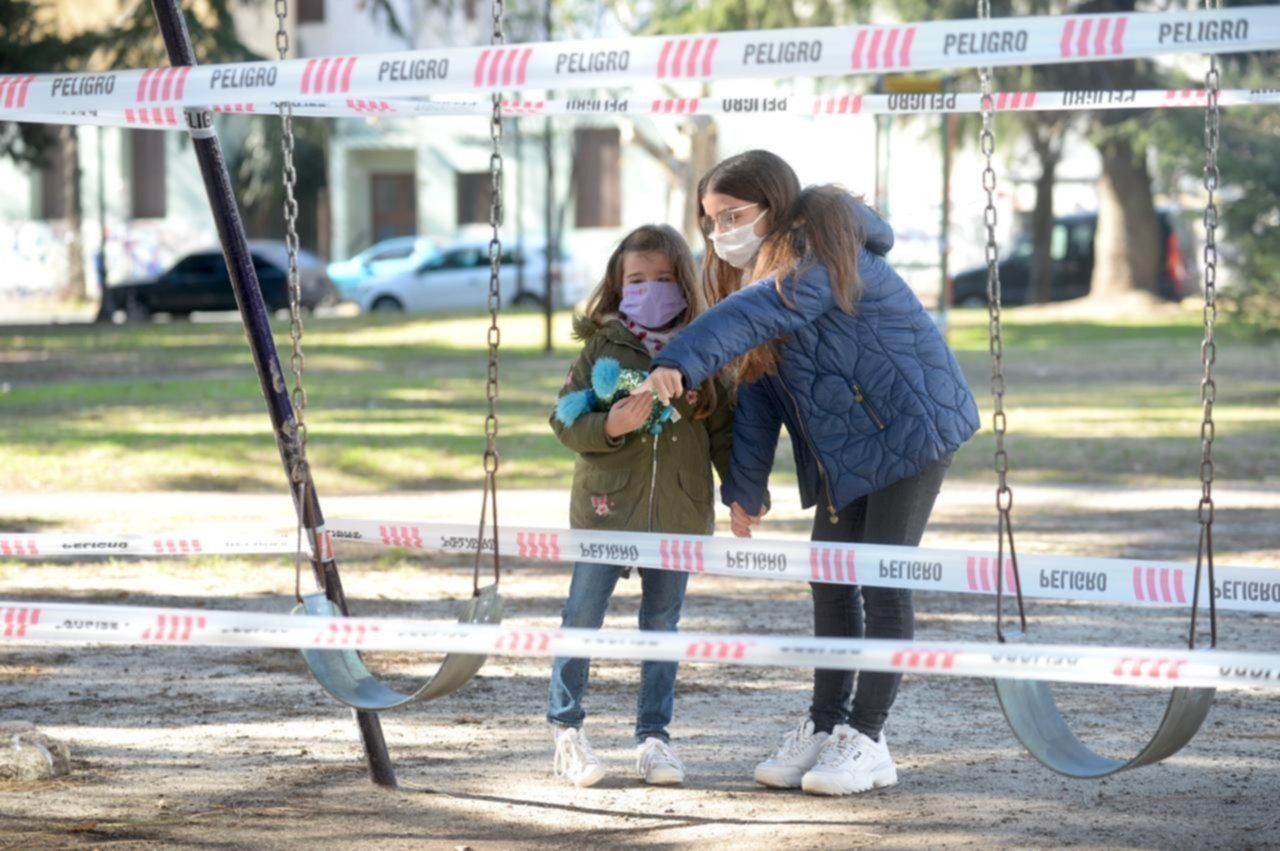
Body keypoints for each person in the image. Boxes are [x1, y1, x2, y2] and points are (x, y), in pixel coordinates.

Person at [642, 150, 980, 796]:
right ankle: (826, 725)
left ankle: (868, 738)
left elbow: (757, 314)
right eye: (710, 220)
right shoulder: (755, 277)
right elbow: (759, 391)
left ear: (772, 205)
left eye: (733, 215)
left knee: (881, 580)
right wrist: (745, 488)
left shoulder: (821, 251)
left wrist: (680, 357)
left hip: (911, 429)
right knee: (829, 579)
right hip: (845, 445)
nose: (720, 232)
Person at [546, 224, 734, 788]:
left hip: (678, 513)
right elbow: (564, 419)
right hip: (605, 510)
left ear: (685, 282)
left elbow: (726, 433)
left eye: (664, 278)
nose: (650, 289)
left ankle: (654, 738)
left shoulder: (706, 347)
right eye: (637, 280)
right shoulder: (602, 346)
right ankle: (566, 731)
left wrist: (742, 493)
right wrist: (609, 425)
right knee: (582, 615)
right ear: (617, 284)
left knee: (661, 624)